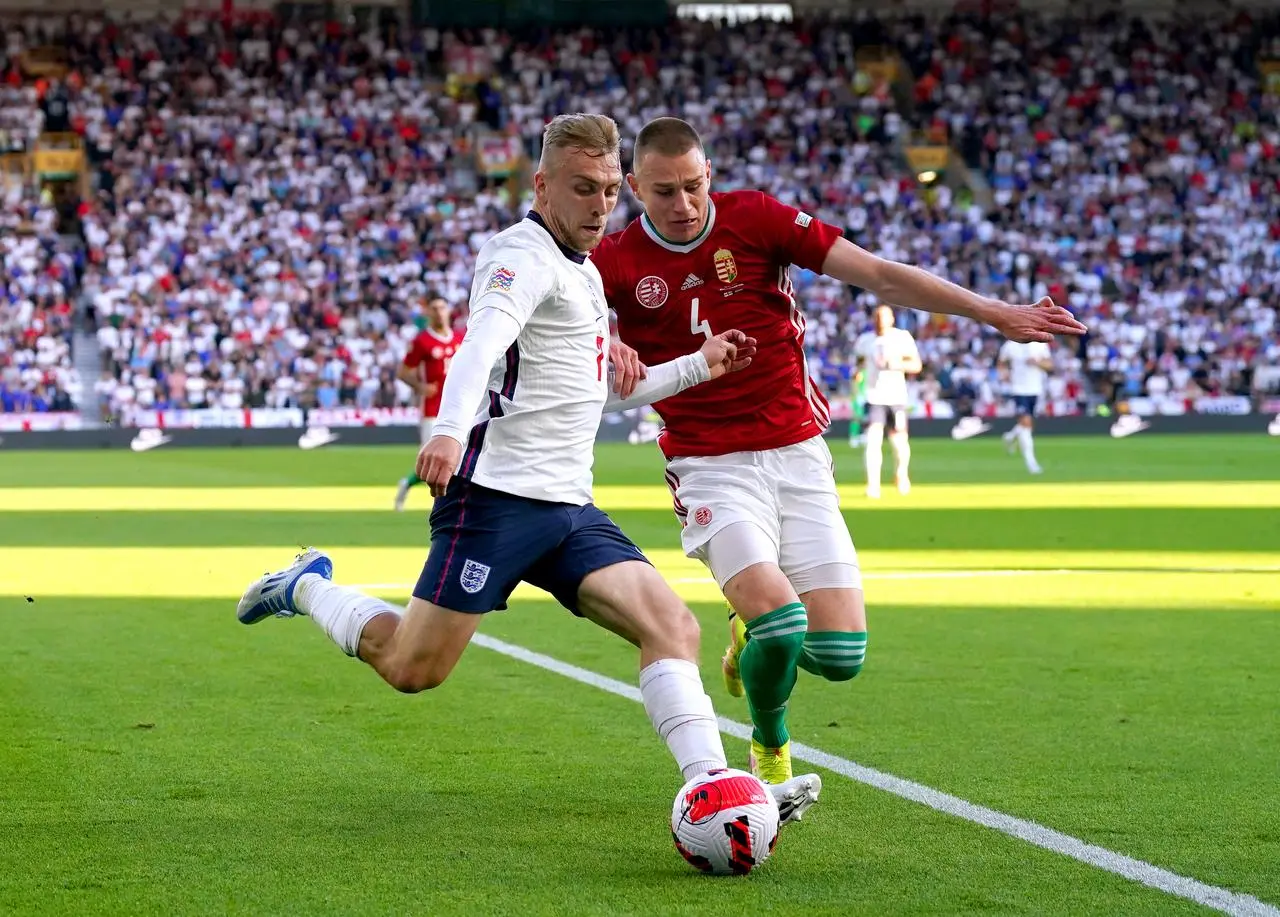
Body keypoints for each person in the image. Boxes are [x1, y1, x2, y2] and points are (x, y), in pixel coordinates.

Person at [235, 113, 820, 824]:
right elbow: (479, 344)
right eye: (583, 189)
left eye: (610, 191)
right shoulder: (521, 255)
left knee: (674, 625)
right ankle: (307, 587)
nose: (601, 206)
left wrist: (701, 363)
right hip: (494, 502)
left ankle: (717, 791)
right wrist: (448, 431)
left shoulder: (582, 270)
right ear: (542, 185)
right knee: (413, 667)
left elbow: (601, 387)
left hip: (568, 508)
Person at [593, 116, 1086, 787]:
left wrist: (997, 312)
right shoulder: (613, 260)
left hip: (797, 452)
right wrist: (607, 344)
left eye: (694, 186)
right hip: (709, 465)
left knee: (841, 653)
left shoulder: (758, 219)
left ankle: (745, 636)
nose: (683, 206)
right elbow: (567, 323)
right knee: (783, 622)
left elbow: (879, 274)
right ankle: (769, 746)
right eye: (664, 192)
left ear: (710, 174)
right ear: (633, 187)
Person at [394, 295, 465, 511]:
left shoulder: (461, 338)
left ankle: (451, 505)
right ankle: (409, 484)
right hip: (432, 409)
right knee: (433, 459)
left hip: (459, 407)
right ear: (428, 313)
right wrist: (421, 387)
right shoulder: (422, 341)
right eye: (434, 308)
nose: (439, 312)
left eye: (442, 307)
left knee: (459, 458)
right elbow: (403, 372)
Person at [853, 305, 922, 498]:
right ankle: (873, 484)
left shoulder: (901, 338)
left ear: (892, 319)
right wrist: (858, 373)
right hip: (873, 397)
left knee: (898, 442)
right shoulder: (865, 341)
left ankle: (901, 475)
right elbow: (859, 363)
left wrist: (897, 364)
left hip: (896, 396)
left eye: (884, 317)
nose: (880, 320)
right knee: (872, 441)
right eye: (877, 316)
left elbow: (916, 365)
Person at [998, 339, 1053, 475]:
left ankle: (1010, 437)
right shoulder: (1010, 345)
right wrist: (1004, 375)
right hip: (1018, 389)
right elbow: (1001, 362)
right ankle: (1031, 462)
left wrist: (1037, 363)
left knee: (1026, 425)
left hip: (1035, 389)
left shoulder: (1040, 344)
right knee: (1026, 423)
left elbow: (1049, 365)